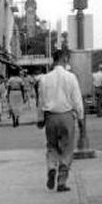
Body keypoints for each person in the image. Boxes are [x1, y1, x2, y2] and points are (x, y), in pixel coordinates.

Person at [37, 50, 83, 192]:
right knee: (67, 149)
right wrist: (80, 117)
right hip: (67, 116)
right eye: (67, 58)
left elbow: (41, 101)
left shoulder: (44, 79)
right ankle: (61, 181)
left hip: (50, 116)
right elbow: (77, 100)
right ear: (64, 59)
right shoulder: (71, 77)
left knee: (51, 146)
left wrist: (40, 118)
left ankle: (51, 167)